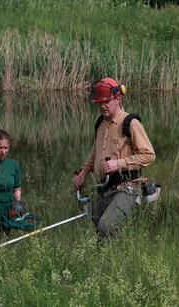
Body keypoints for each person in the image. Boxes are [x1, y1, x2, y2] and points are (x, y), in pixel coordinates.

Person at [73, 78, 155, 243]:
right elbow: (96, 151)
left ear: (118, 98)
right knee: (99, 225)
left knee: (106, 226)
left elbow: (149, 155)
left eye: (106, 101)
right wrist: (82, 174)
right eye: (99, 102)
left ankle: (113, 265)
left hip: (126, 187)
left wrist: (118, 164)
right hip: (103, 188)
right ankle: (109, 265)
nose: (102, 106)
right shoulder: (99, 122)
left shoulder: (130, 123)